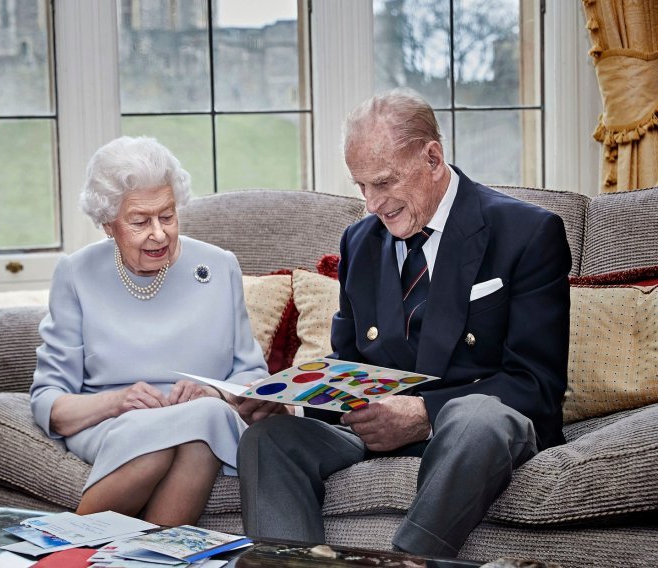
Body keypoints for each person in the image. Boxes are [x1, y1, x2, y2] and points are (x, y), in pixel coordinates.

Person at [236, 88, 571, 557]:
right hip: (374, 433)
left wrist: (423, 415)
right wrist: (292, 402)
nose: (372, 204)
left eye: (384, 182)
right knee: (268, 439)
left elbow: (536, 385)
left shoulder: (527, 233)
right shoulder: (360, 241)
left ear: (432, 158)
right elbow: (349, 363)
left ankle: (403, 563)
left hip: (470, 436)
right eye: (361, 187)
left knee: (477, 417)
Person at [30, 135, 267, 525]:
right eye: (140, 221)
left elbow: (252, 376)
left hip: (203, 416)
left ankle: (64, 552)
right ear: (108, 224)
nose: (159, 233)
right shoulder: (77, 273)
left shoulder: (219, 266)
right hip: (111, 421)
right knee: (169, 441)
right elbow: (49, 401)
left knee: (202, 422)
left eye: (168, 216)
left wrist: (212, 391)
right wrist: (117, 402)